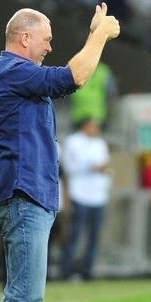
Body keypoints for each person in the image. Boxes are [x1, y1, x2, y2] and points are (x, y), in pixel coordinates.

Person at [0, 3, 120, 302]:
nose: (48, 46)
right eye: (45, 39)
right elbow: (74, 76)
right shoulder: (11, 70)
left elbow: (68, 76)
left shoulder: (18, 76)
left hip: (30, 194)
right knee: (24, 294)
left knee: (24, 292)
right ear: (24, 37)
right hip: (22, 193)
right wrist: (99, 35)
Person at [60, 118, 111, 280]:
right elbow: (68, 166)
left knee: (94, 235)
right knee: (75, 233)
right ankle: (67, 269)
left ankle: (88, 270)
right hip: (79, 193)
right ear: (85, 126)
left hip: (98, 195)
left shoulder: (100, 144)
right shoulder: (73, 142)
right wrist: (90, 166)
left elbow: (106, 166)